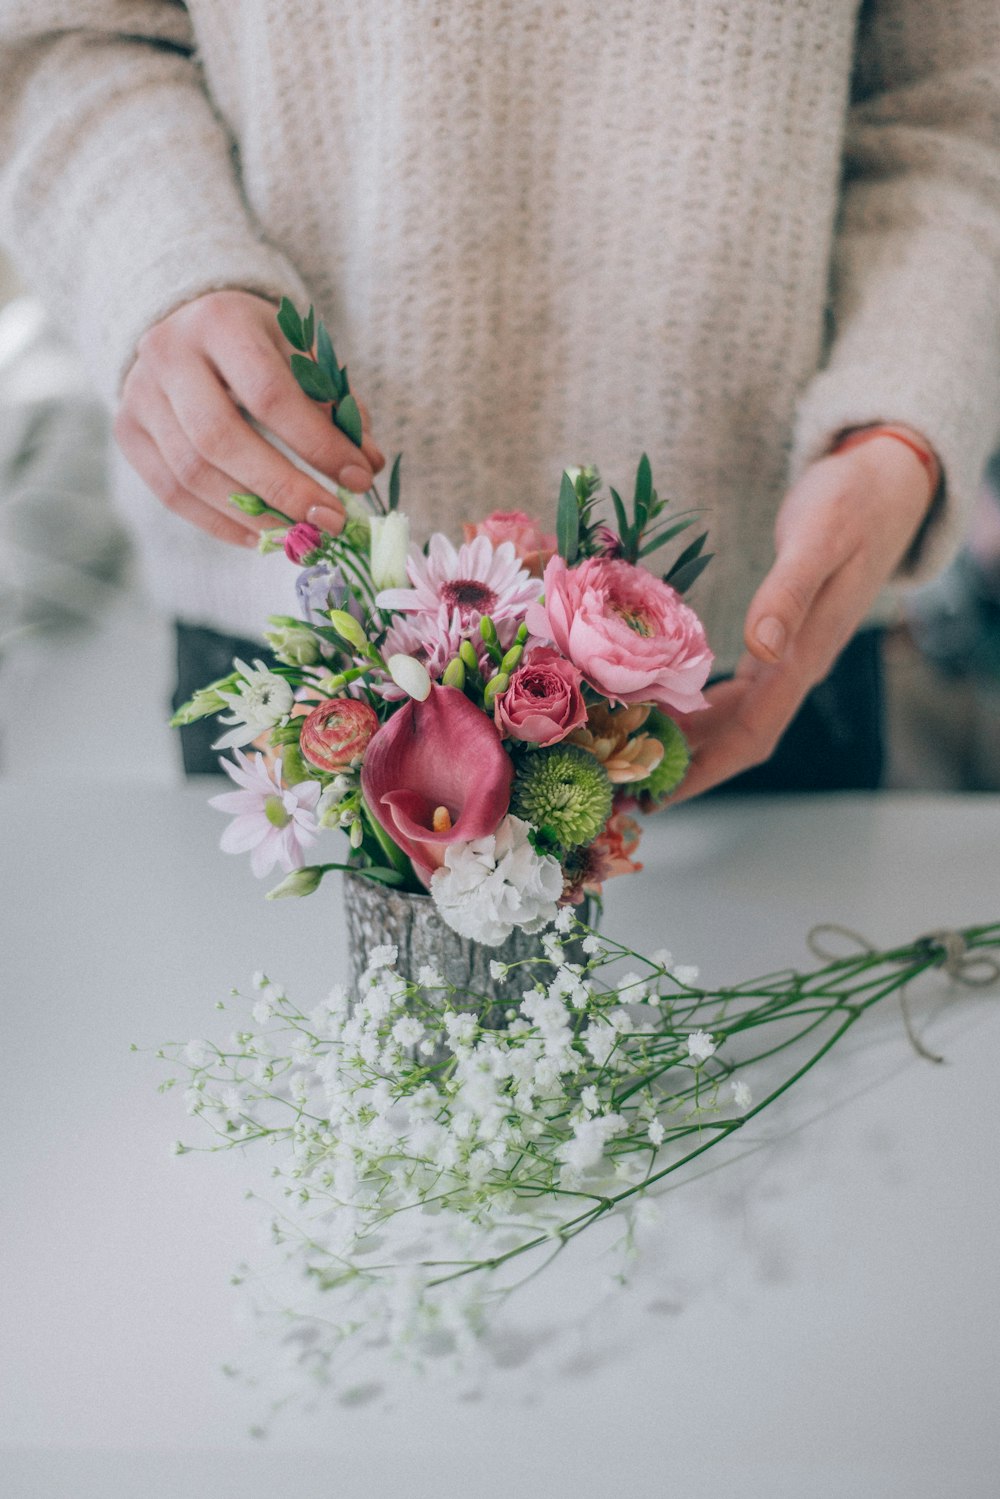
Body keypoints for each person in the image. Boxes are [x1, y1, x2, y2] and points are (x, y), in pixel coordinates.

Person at [1, 2, 998, 791]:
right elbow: (63, 37)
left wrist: (902, 410)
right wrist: (159, 261)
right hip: (303, 633)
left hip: (757, 647)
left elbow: (959, 96)